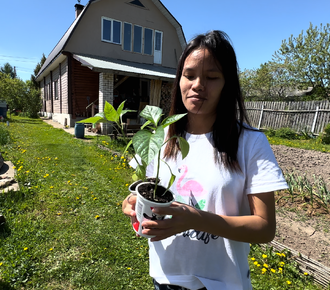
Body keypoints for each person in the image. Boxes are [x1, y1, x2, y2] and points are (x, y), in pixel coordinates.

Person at [121, 30, 288, 290]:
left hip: (223, 283)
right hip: (166, 279)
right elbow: (145, 193)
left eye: (211, 77)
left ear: (227, 84)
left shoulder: (250, 143)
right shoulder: (161, 137)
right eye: (189, 75)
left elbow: (265, 228)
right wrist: (132, 204)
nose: (198, 84)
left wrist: (196, 219)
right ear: (179, 81)